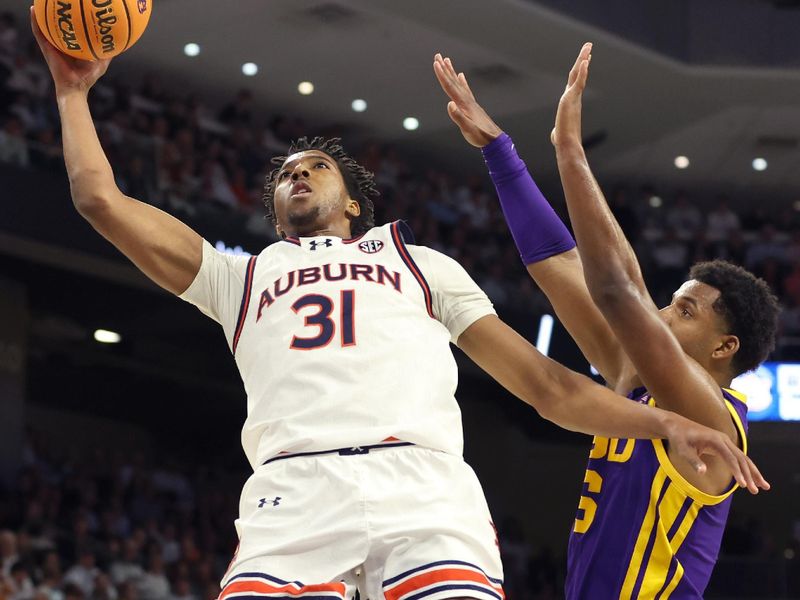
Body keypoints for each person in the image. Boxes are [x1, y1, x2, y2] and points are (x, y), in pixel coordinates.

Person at [31, 12, 767, 600]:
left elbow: (551, 379)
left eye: (315, 167)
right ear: (274, 209)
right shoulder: (241, 277)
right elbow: (99, 199)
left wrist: (664, 419)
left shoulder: (419, 263)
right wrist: (71, 93)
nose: (297, 174)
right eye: (286, 171)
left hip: (423, 487)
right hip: (295, 491)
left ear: (351, 201)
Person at [434, 44, 780, 599]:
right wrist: (501, 153)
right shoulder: (636, 381)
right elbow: (559, 264)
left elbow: (621, 292)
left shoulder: (711, 423)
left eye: (685, 311)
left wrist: (570, 153)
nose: (664, 315)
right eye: (672, 301)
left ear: (724, 348)